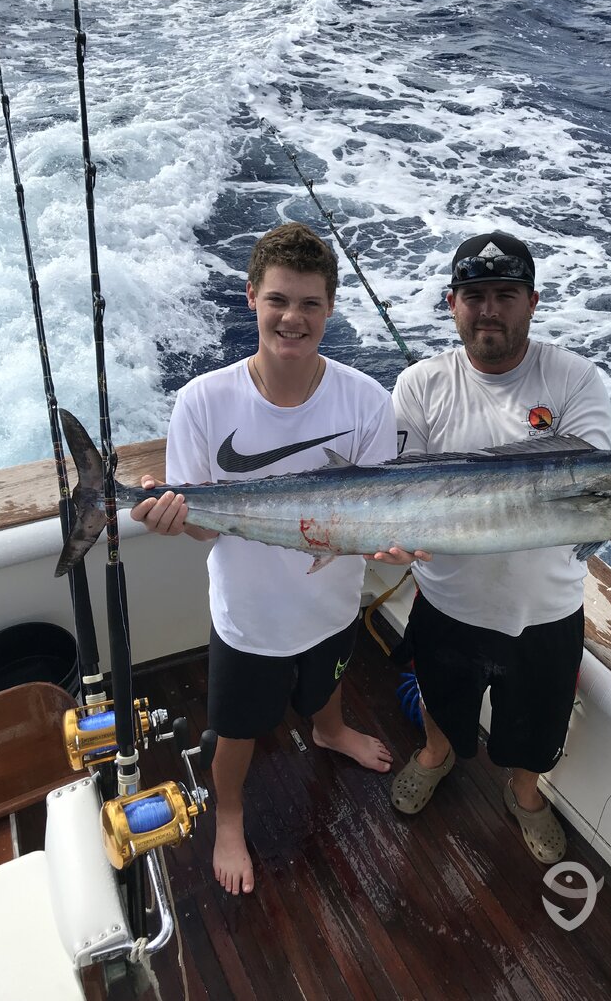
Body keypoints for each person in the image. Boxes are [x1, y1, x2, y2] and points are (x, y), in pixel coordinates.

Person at [131, 222, 399, 896]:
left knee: (326, 683)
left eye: (310, 303)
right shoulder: (203, 401)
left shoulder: (367, 401)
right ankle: (229, 816)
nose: (292, 318)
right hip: (248, 621)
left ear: (330, 308)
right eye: (278, 299)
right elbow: (202, 531)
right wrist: (175, 519)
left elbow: (376, 520)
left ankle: (330, 731)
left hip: (333, 606)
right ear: (252, 297)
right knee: (237, 732)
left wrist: (394, 540)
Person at [374, 230, 611, 865]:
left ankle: (525, 793)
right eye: (475, 296)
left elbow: (596, 492)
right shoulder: (419, 384)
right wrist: (388, 543)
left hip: (545, 611)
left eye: (505, 295)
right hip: (446, 602)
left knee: (538, 725)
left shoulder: (575, 379)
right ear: (452, 304)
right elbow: (396, 493)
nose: (489, 310)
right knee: (441, 701)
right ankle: (435, 754)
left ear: (532, 301)